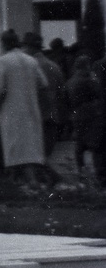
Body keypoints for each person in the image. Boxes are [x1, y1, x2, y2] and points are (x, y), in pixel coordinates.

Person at [0, 29, 48, 185]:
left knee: (14, 147)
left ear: (3, 43)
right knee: (29, 148)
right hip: (31, 110)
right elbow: (43, 83)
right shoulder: (31, 61)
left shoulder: (2, 61)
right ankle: (25, 182)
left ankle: (24, 183)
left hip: (11, 111)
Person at [23, 31, 66, 161]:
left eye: (25, 47)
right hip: (52, 118)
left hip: (33, 119)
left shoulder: (28, 67)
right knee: (46, 157)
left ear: (30, 48)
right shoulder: (54, 67)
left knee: (33, 159)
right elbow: (61, 94)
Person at [65, 54, 102, 185]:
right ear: (86, 66)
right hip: (91, 114)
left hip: (76, 115)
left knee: (79, 146)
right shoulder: (89, 80)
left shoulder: (70, 81)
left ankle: (81, 173)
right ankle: (98, 175)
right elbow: (98, 93)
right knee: (96, 144)